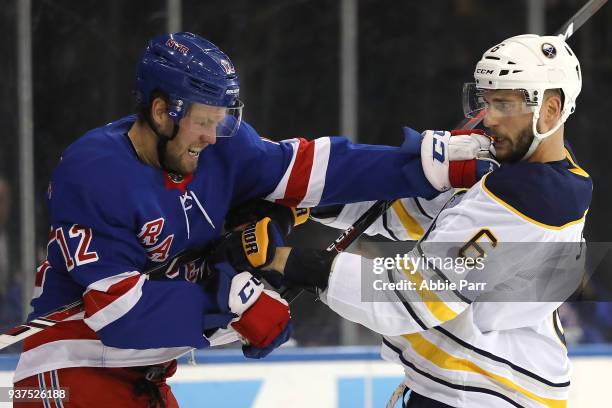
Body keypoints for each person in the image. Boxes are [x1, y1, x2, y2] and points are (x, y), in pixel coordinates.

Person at [11, 32, 488, 408]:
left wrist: (430, 166)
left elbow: (313, 169)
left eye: (221, 119)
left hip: (142, 377)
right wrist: (233, 307)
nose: (213, 136)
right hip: (67, 376)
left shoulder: (222, 148)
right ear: (161, 112)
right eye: (202, 121)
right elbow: (118, 312)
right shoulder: (93, 172)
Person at [240, 34, 591, 407]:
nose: (488, 119)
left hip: (490, 394)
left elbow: (411, 295)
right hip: (461, 389)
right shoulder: (520, 175)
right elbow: (405, 215)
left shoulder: (532, 199)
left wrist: (290, 262)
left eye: (503, 104)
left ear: (550, 111)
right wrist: (313, 203)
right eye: (486, 102)